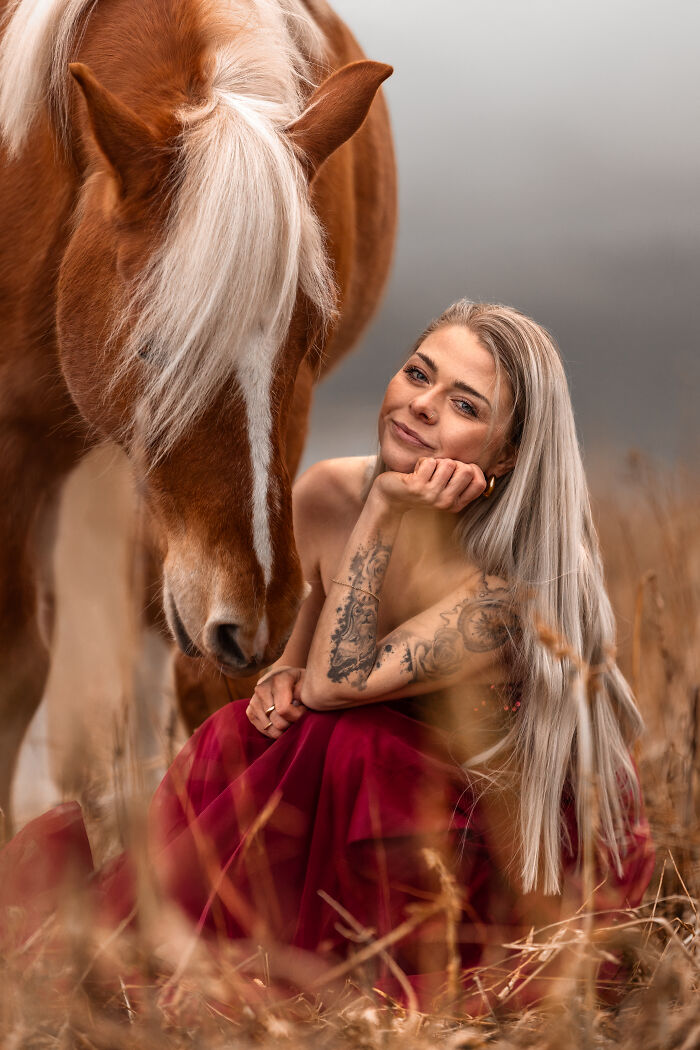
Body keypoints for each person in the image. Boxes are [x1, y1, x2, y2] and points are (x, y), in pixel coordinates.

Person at [0, 300, 654, 1012]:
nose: (422, 405)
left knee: (354, 742)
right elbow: (309, 663)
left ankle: (331, 967)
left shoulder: (502, 594)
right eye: (417, 373)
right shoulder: (325, 494)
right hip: (364, 777)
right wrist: (279, 680)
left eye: (464, 403)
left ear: (505, 457)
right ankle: (180, 935)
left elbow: (341, 683)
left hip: (489, 832)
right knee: (242, 736)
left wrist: (383, 511)